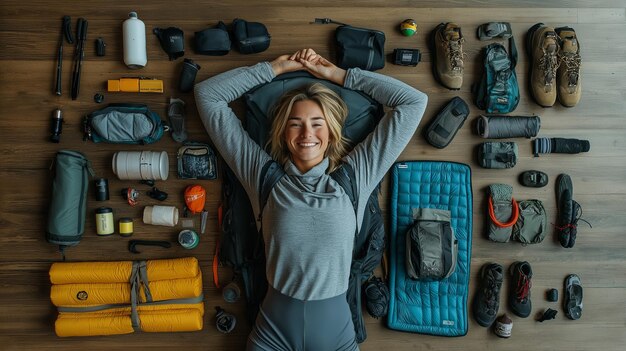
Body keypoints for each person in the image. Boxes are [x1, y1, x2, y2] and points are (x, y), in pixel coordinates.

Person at [195, 48, 428, 351]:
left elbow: (413, 103)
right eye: (296, 123)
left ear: (331, 133)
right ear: (282, 134)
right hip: (271, 334)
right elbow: (207, 95)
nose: (307, 132)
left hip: (337, 336)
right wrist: (274, 68)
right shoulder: (264, 178)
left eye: (317, 123)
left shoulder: (355, 177)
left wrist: (341, 76)